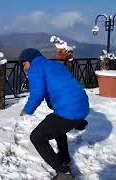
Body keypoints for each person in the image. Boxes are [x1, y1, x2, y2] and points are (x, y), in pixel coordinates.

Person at [19, 48, 89, 180]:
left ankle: (64, 173)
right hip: (82, 105)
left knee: (37, 137)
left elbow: (37, 93)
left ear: (29, 60)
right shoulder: (55, 64)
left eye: (23, 64)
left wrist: (27, 109)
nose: (24, 68)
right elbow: (61, 85)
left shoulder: (35, 68)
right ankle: (64, 158)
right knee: (55, 123)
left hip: (69, 110)